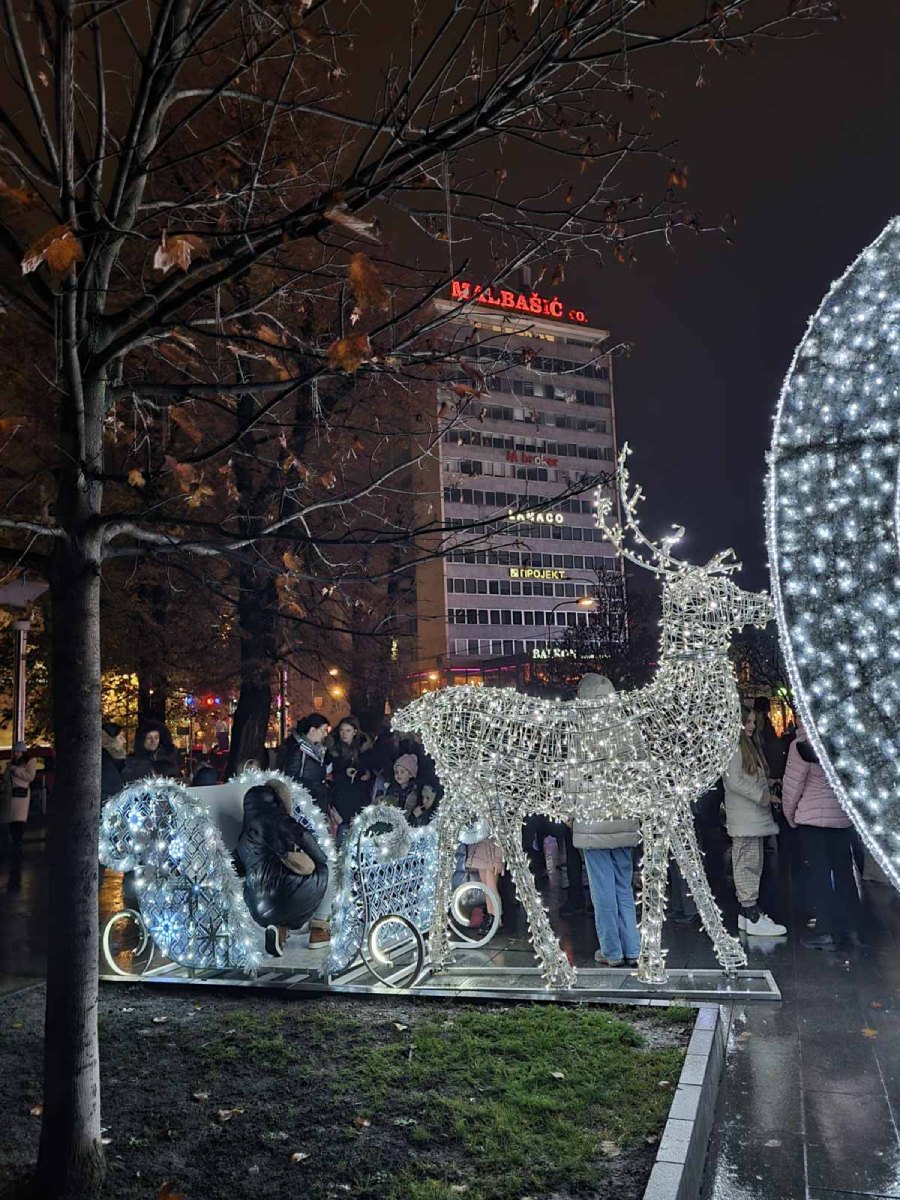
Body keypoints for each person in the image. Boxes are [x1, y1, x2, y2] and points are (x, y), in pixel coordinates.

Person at [572, 674, 642, 967]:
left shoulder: (582, 731)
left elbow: (571, 780)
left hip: (593, 822)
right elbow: (638, 773)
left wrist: (571, 811)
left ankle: (611, 951)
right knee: (624, 886)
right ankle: (634, 948)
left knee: (602, 890)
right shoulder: (627, 729)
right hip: (623, 818)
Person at [782, 725, 860, 950]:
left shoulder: (801, 746)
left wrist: (790, 815)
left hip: (812, 821)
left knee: (819, 874)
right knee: (844, 872)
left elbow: (792, 786)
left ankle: (824, 929)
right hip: (840, 819)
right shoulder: (844, 740)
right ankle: (849, 925)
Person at [236, 778, 334, 956]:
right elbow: (317, 853)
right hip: (286, 895)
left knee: (282, 889)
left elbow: (237, 867)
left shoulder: (243, 836)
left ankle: (279, 931)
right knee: (329, 868)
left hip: (256, 905)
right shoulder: (280, 820)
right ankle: (319, 930)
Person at [723, 706, 786, 937]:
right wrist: (763, 795)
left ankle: (747, 912)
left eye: (752, 722)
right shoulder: (735, 749)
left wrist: (767, 784)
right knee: (747, 863)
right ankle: (750, 911)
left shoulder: (746, 748)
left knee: (751, 862)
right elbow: (734, 782)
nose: (751, 726)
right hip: (746, 816)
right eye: (747, 722)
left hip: (751, 816)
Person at [326, 716, 374, 845]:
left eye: (348, 730)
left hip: (360, 795)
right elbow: (330, 772)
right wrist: (343, 773)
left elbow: (371, 767)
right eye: (342, 730)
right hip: (341, 796)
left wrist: (367, 774)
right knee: (343, 831)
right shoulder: (334, 750)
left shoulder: (364, 749)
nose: (344, 734)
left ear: (355, 731)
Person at [1, 742, 37, 891]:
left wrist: (15, 770)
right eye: (14, 752)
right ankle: (13, 846)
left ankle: (17, 846)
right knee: (11, 823)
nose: (15, 754)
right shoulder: (11, 764)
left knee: (18, 822)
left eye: (18, 752)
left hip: (21, 796)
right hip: (11, 796)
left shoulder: (30, 762)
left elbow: (30, 777)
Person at [277, 714, 331, 810]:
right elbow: (291, 777)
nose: (325, 734)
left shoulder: (316, 749)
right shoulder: (298, 750)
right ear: (312, 730)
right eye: (324, 730)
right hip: (305, 804)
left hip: (314, 801)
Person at [383, 754, 438, 825]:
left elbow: (422, 806)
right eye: (396, 772)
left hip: (410, 823)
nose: (398, 774)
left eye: (402, 772)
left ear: (410, 774)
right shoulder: (392, 788)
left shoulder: (416, 790)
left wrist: (420, 811)